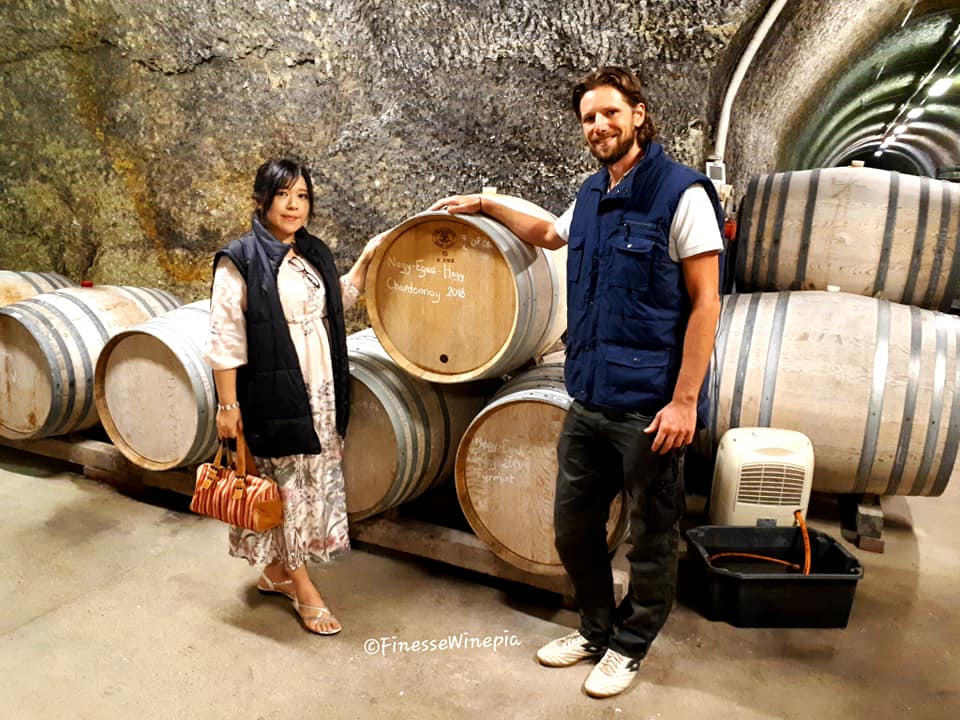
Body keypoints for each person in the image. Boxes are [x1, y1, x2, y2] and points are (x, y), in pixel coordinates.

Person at [431, 66, 724, 697]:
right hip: (588, 395)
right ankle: (595, 628)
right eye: (589, 118)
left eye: (610, 113)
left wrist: (684, 401)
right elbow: (546, 233)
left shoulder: (682, 194)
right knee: (572, 527)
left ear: (638, 114)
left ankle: (630, 645)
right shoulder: (591, 194)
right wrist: (484, 203)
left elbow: (707, 302)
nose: (599, 126)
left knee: (651, 537)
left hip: (650, 407)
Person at [203, 158, 383, 635]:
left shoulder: (311, 251)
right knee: (284, 485)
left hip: (318, 387)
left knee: (308, 481)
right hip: (273, 387)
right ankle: (303, 588)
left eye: (302, 195)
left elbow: (332, 304)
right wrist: (227, 405)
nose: (293, 205)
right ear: (262, 200)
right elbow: (225, 337)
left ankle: (278, 573)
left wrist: (366, 261)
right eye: (283, 194)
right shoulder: (239, 258)